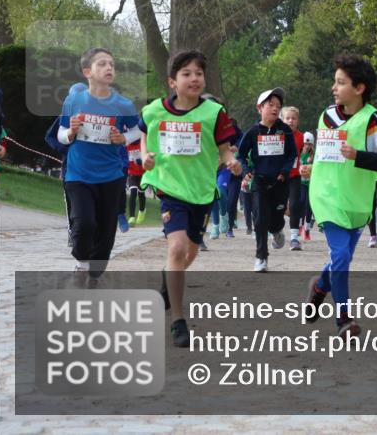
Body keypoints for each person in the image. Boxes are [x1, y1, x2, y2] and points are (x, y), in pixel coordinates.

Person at [139, 49, 241, 347]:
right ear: (172, 82)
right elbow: (146, 133)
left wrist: (231, 160)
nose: (194, 79)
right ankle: (178, 321)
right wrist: (145, 155)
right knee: (177, 248)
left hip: (201, 191)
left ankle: (167, 281)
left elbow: (224, 147)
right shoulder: (155, 110)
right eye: (186, 74)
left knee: (188, 255)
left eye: (198, 73)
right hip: (171, 190)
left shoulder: (214, 113)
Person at [303, 54, 377, 337]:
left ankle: (319, 287)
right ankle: (344, 320)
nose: (334, 87)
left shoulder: (373, 119)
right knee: (341, 256)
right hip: (326, 196)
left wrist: (358, 156)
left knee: (340, 259)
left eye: (341, 82)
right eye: (335, 82)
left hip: (356, 201)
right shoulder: (326, 116)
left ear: (359, 88)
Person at [57, 48, 140, 279]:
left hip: (111, 176)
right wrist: (71, 132)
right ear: (88, 72)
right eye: (102, 64)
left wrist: (124, 138)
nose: (109, 68)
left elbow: (138, 131)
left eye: (111, 64)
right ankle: (82, 263)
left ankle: (94, 274)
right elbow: (61, 133)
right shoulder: (74, 100)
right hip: (78, 174)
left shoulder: (123, 105)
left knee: (105, 232)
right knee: (84, 224)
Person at [237, 88, 297, 272]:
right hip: (259, 181)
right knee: (260, 219)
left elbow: (292, 154)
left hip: (279, 182)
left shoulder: (285, 130)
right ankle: (261, 257)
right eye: (270, 105)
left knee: (275, 218)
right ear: (259, 108)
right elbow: (240, 154)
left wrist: (284, 172)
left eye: (278, 106)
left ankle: (277, 229)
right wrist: (246, 171)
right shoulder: (253, 132)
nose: (275, 109)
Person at [281, 106, 306, 250]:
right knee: (280, 206)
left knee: (296, 205)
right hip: (280, 177)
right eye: (288, 118)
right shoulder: (278, 135)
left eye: (294, 118)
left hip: (295, 176)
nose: (291, 121)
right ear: (282, 120)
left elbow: (305, 154)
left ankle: (294, 238)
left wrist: (305, 165)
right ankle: (276, 230)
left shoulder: (301, 137)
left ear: (298, 121)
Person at [299, 132, 314, 240]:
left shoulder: (313, 155)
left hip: (311, 184)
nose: (307, 146)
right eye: (305, 144)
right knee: (301, 202)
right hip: (301, 184)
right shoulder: (298, 154)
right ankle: (300, 225)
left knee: (309, 207)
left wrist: (311, 165)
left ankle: (307, 229)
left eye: (309, 144)